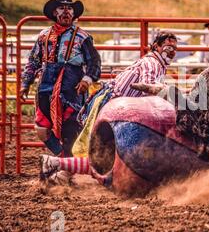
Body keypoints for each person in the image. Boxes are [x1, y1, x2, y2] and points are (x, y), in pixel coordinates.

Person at [39, 31, 178, 185]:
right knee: (100, 150)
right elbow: (149, 85)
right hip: (113, 107)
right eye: (167, 47)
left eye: (174, 49)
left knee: (100, 149)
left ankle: (58, 173)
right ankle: (54, 164)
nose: (171, 52)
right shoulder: (153, 63)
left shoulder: (154, 63)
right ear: (156, 46)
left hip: (114, 106)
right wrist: (170, 96)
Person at [20, 0, 101, 158]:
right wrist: (25, 83)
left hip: (72, 87)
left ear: (73, 14)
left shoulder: (82, 37)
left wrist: (87, 80)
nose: (66, 12)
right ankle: (64, 159)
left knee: (70, 129)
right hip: (46, 86)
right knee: (42, 129)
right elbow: (33, 61)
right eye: (62, 8)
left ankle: (66, 166)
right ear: (55, 13)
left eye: (69, 8)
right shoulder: (43, 36)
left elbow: (94, 62)